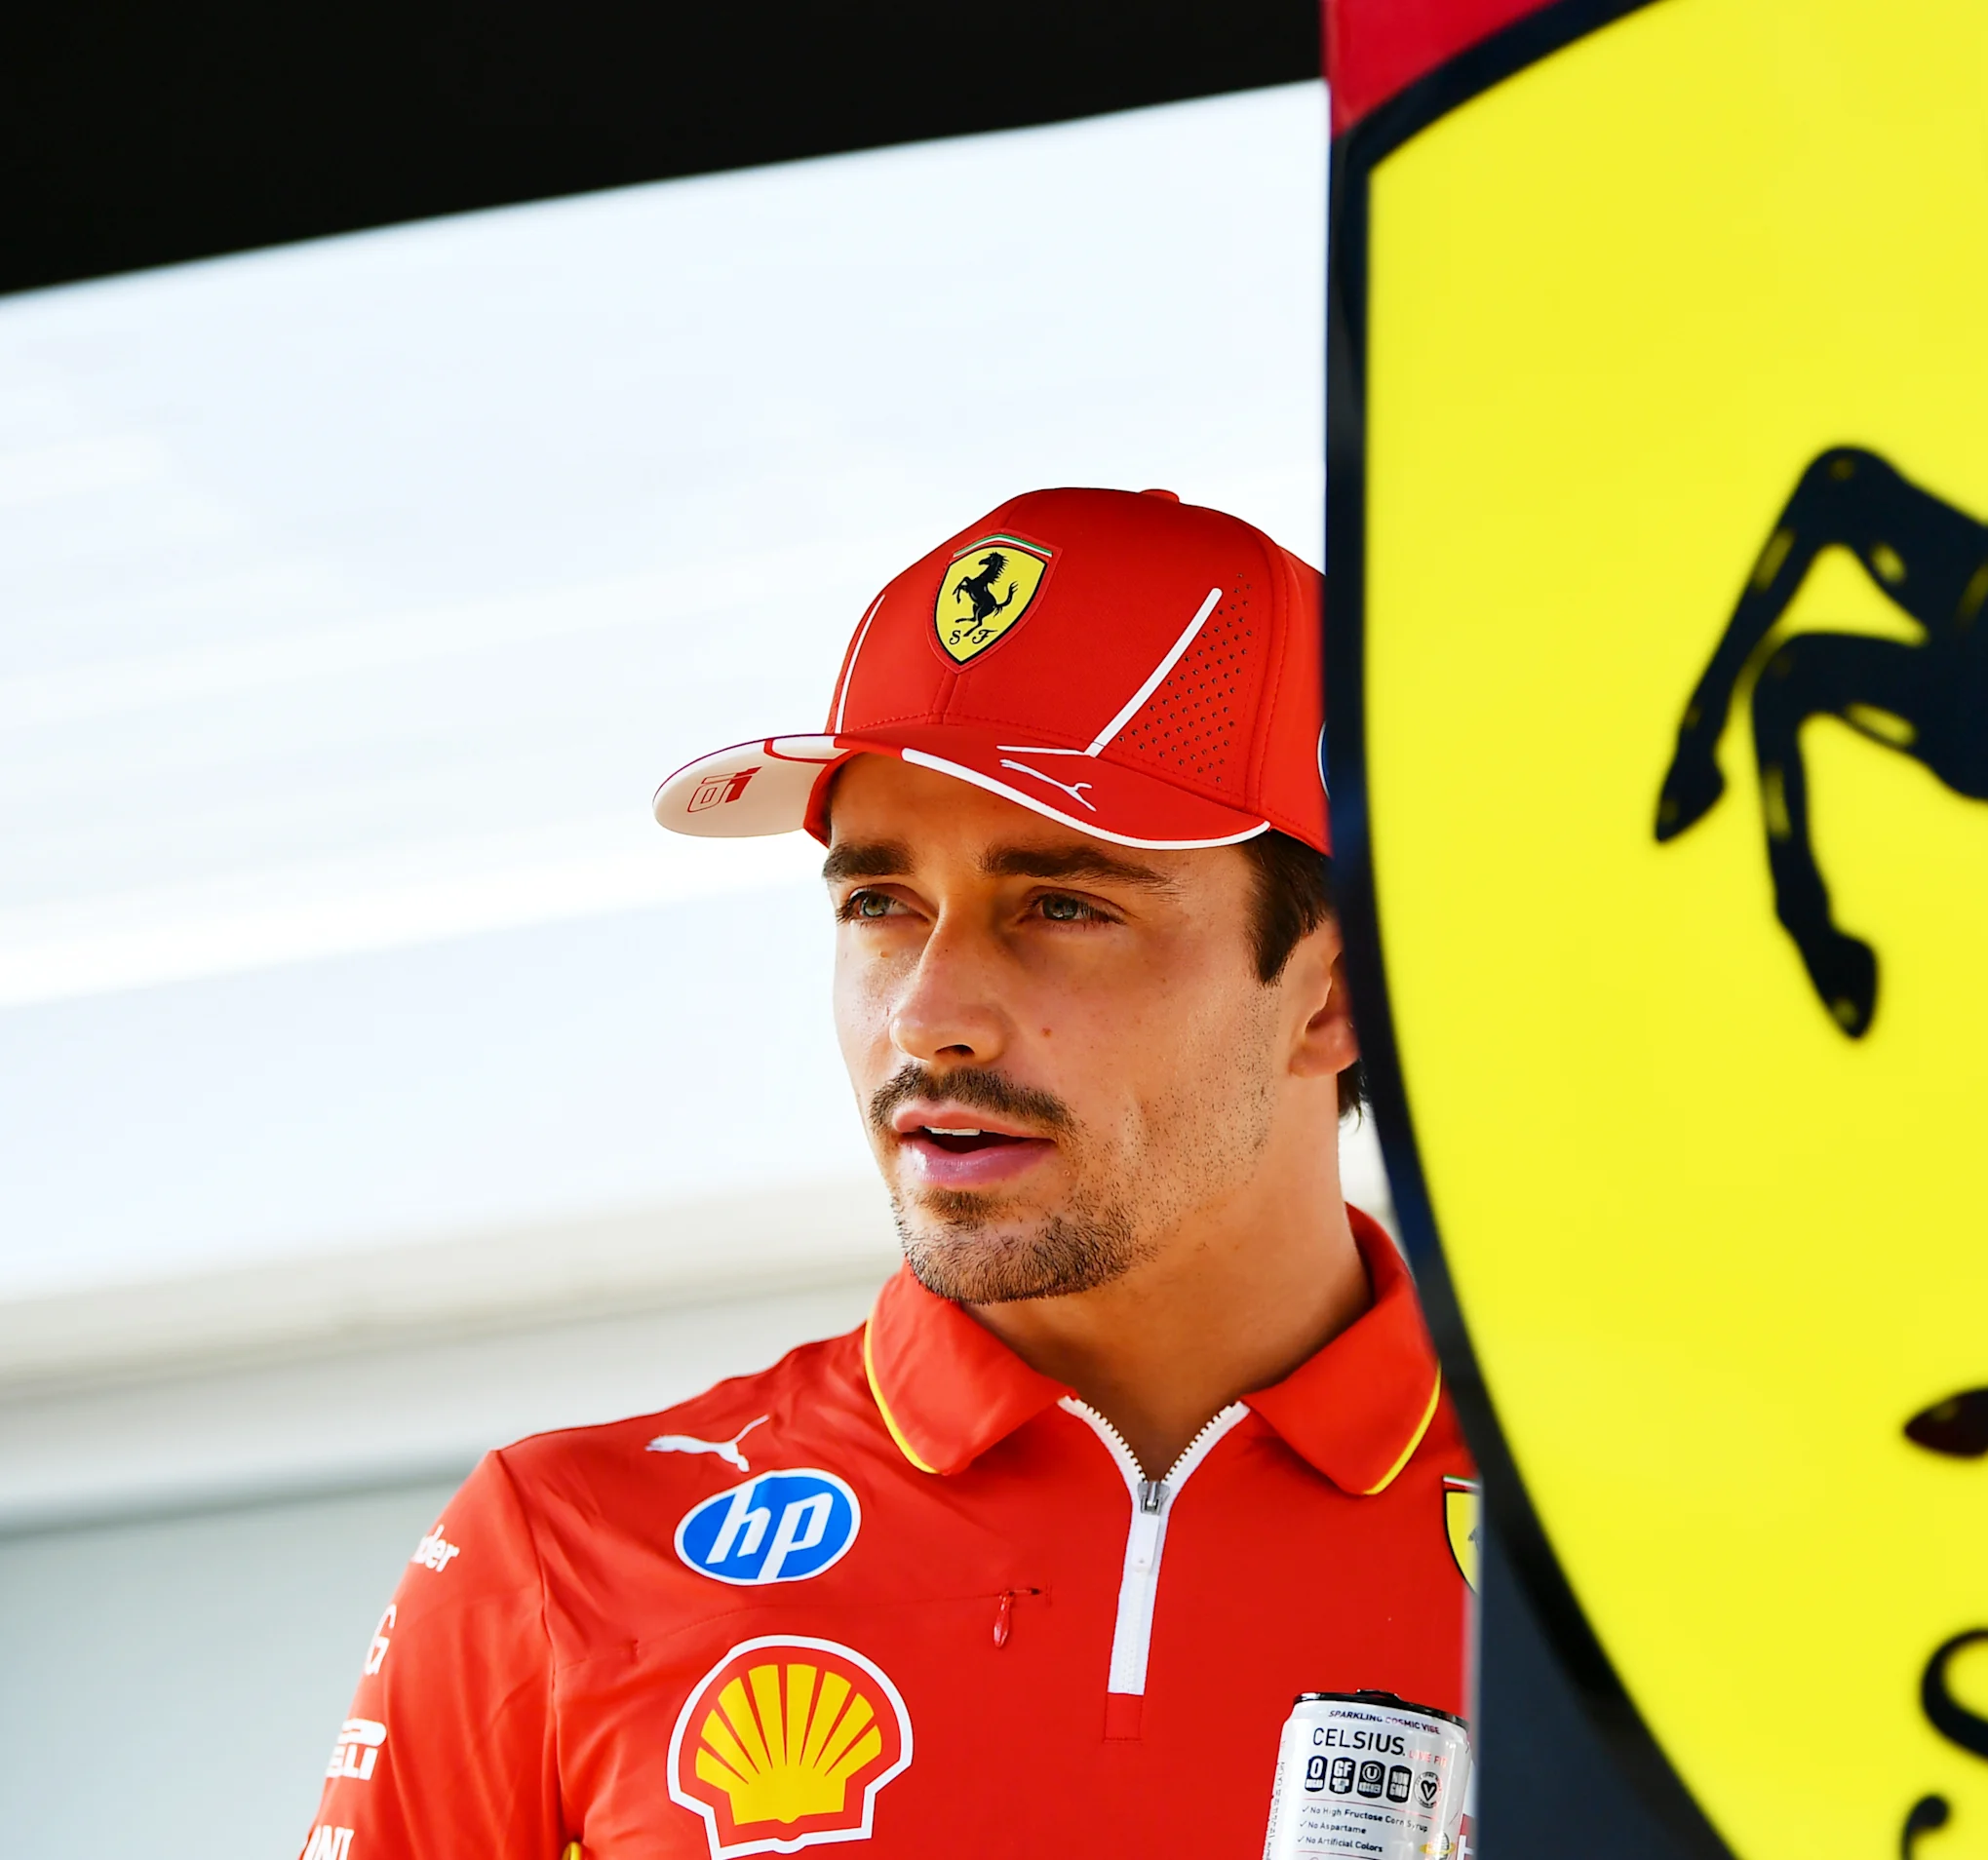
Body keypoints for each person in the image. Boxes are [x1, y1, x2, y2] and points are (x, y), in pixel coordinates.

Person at [302, 489, 1475, 1859]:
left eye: (1063, 906)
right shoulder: (556, 1551)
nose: (927, 1017)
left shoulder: (1644, 1552)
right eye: (878, 903)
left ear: (1336, 992)